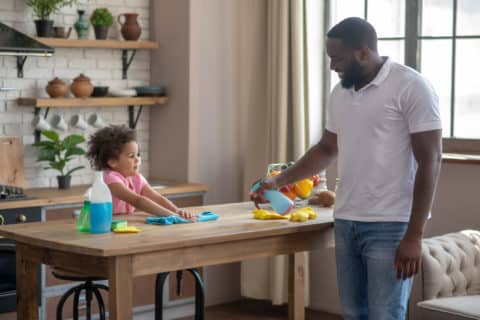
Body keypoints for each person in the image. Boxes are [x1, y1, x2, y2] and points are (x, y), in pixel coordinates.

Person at [251, 17, 442, 320]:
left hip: (391, 224)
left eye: (337, 59)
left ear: (363, 53)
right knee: (354, 313)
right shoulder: (340, 94)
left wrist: (414, 235)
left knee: (385, 314)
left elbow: (430, 160)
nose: (332, 67)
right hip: (347, 219)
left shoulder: (411, 86)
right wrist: (277, 181)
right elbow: (327, 149)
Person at [86, 124, 194, 220]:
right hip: (106, 225)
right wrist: (171, 216)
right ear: (112, 162)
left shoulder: (137, 178)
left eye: (138, 154)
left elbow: (157, 198)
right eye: (131, 156)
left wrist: (177, 211)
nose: (137, 159)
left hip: (124, 224)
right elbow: (138, 201)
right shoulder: (109, 179)